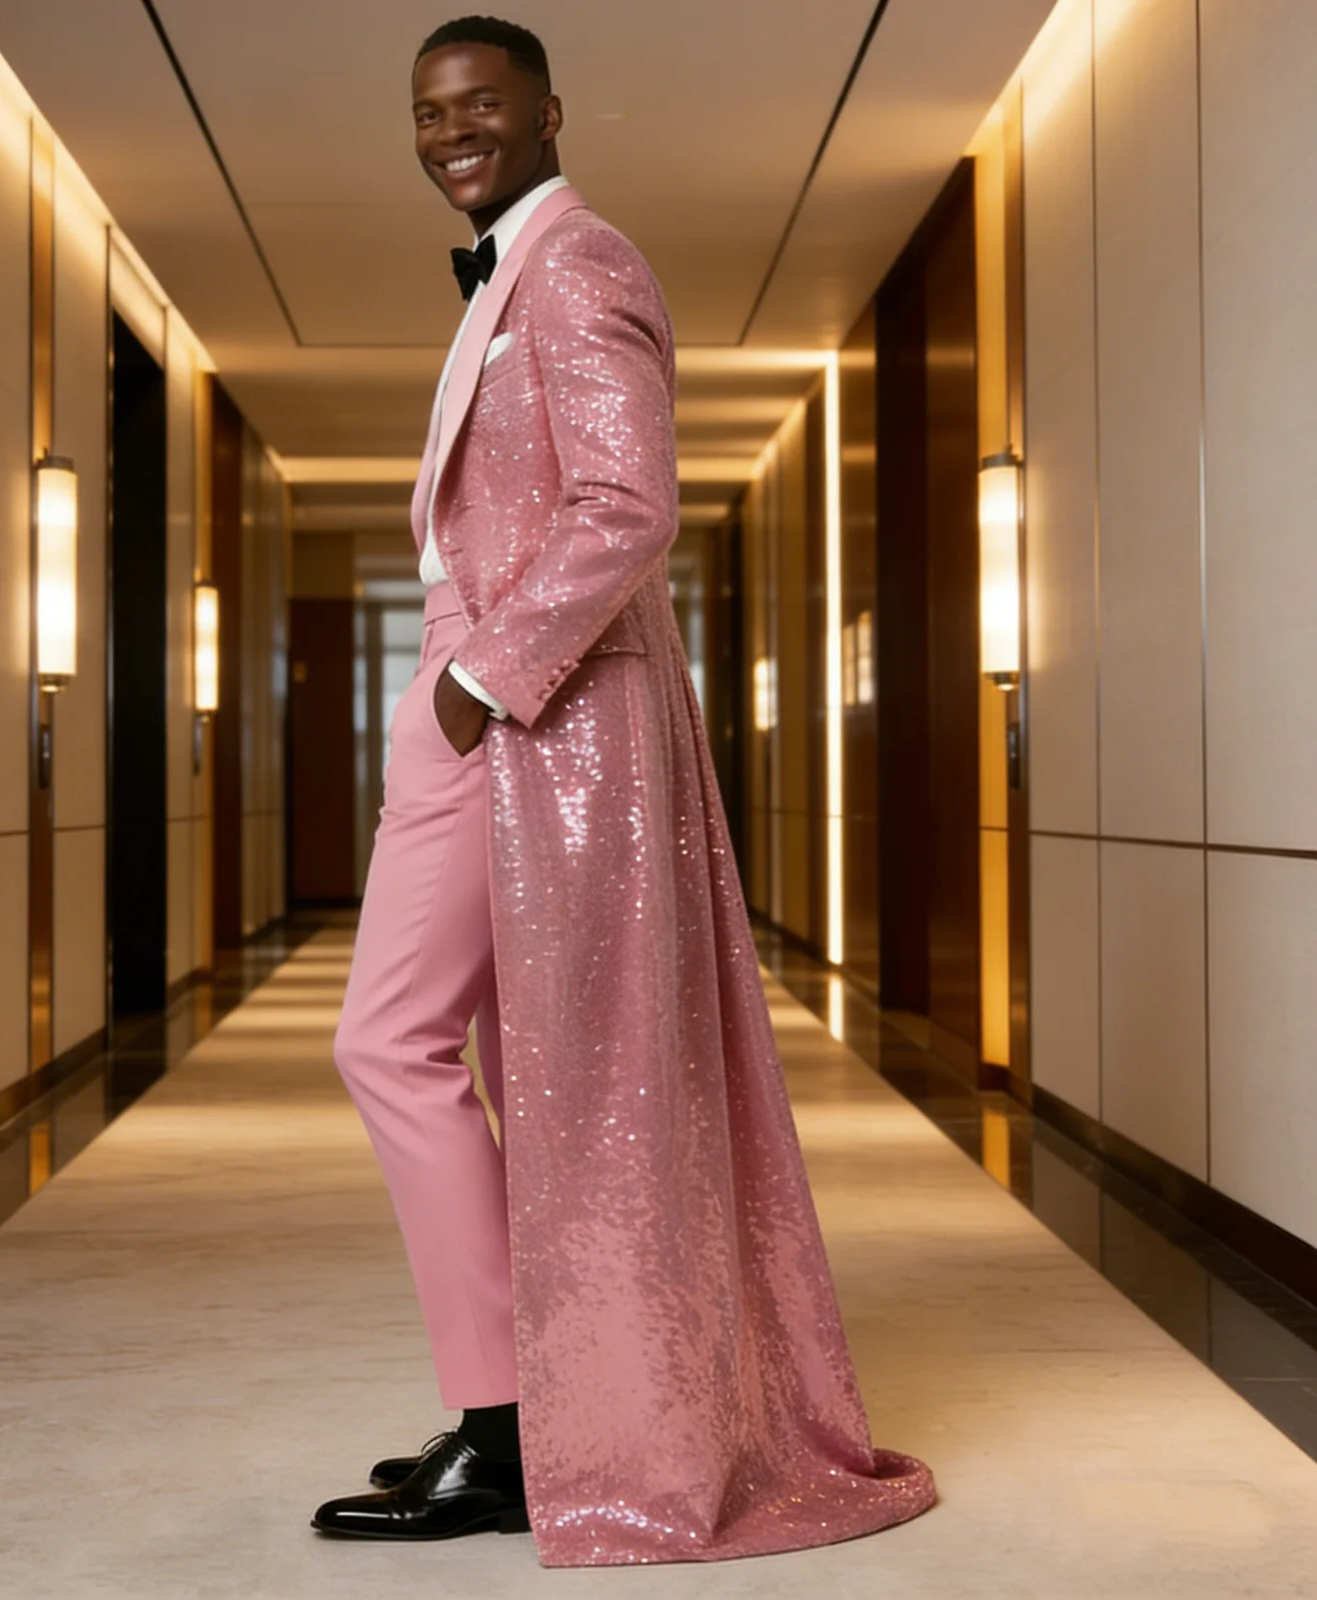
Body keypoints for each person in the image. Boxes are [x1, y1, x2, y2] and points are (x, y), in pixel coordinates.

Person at [311, 15, 936, 1567]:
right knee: (452, 1051)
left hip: (538, 716)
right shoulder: (506, 278)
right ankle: (515, 1411)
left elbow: (627, 504)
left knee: (414, 1047)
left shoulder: (582, 262)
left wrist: (472, 680)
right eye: (427, 112)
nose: (450, 132)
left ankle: (520, 1427)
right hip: (490, 707)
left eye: (479, 105)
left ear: (545, 113)